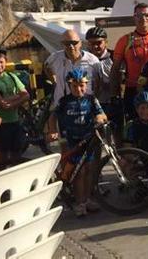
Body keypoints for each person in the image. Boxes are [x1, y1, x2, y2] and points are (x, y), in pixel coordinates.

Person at [46, 68, 107, 216]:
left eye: (82, 85)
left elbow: (102, 114)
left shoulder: (91, 99)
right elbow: (52, 117)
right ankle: (79, 203)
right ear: (69, 86)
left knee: (88, 171)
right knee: (78, 173)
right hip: (71, 141)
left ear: (86, 85)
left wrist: (100, 119)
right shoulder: (64, 101)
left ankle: (86, 200)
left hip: (88, 140)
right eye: (75, 86)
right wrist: (52, 130)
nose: (79, 89)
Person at [0, 46, 30, 172]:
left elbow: (27, 95)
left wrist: (11, 102)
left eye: (1, 62)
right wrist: (18, 97)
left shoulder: (12, 76)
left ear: (5, 62)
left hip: (15, 122)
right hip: (1, 126)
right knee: (1, 161)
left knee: (16, 158)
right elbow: (2, 104)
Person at [112, 3, 148, 119]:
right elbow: (115, 68)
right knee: (132, 124)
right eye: (139, 15)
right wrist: (114, 94)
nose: (143, 18)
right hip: (133, 89)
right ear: (134, 17)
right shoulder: (125, 40)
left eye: (147, 15)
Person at [44, 29, 100, 106]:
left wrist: (94, 100)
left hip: (86, 106)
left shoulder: (92, 60)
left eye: (74, 43)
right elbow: (46, 67)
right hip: (62, 106)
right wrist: (54, 82)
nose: (71, 46)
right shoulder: (54, 58)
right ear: (62, 44)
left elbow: (99, 82)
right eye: (67, 43)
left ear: (80, 43)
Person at [85, 27, 119, 130]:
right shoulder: (84, 58)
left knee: (115, 131)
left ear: (106, 42)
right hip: (90, 103)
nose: (95, 46)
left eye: (99, 42)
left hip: (111, 102)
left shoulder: (114, 57)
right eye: (92, 43)